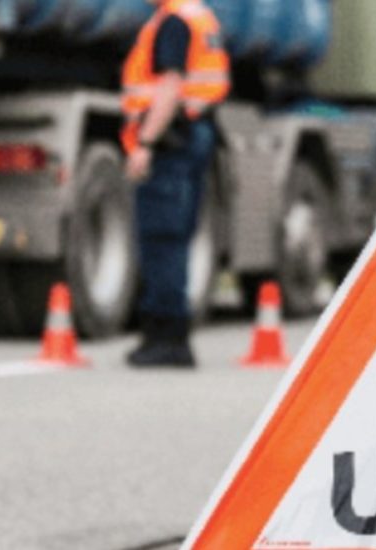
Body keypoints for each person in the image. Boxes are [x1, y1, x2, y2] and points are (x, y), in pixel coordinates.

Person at [120, 0, 229, 367]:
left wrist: (146, 143)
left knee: (162, 237)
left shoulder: (173, 22)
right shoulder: (198, 15)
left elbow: (169, 85)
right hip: (194, 131)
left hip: (172, 139)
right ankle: (169, 335)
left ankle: (166, 338)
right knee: (176, 235)